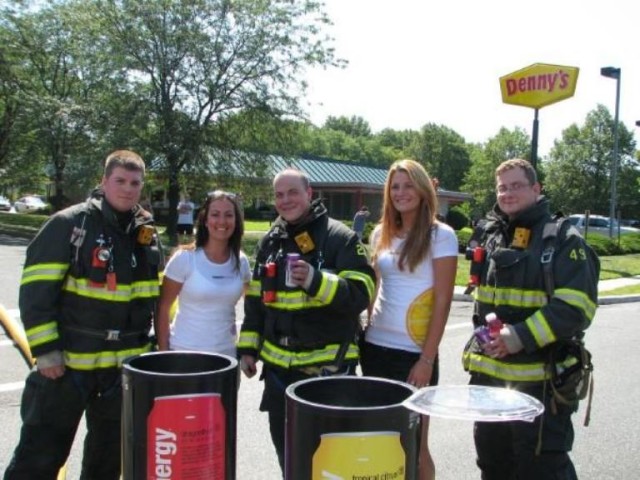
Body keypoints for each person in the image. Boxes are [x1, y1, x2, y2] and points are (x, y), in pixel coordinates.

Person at [4, 150, 163, 480]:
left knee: (106, 463)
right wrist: (46, 352)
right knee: (39, 458)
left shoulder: (145, 234)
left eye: (135, 183)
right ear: (104, 182)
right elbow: (36, 293)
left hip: (120, 373)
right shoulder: (68, 224)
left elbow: (149, 297)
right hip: (66, 369)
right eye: (119, 180)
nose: (127, 189)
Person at [462, 158, 599, 480]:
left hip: (541, 387)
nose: (508, 193)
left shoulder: (563, 239)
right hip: (489, 382)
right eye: (502, 187)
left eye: (516, 186)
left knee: (541, 471)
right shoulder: (492, 235)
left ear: (536, 189)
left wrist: (521, 335)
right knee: (494, 468)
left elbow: (577, 307)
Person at [237, 168, 376, 475]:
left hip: (328, 375)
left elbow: (362, 293)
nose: (285, 200)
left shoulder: (339, 236)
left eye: (292, 192)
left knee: (330, 465)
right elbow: (255, 303)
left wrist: (317, 281)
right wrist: (248, 349)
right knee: (289, 459)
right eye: (279, 194)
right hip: (278, 375)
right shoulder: (270, 242)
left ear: (309, 193)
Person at [360, 159, 458, 480]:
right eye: (395, 187)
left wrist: (427, 359)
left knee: (415, 447)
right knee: (381, 441)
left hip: (414, 355)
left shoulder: (440, 235)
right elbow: (375, 287)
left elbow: (443, 300)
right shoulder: (380, 233)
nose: (401, 192)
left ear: (423, 188)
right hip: (374, 349)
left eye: (408, 185)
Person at [156, 190, 251, 356]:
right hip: (183, 354)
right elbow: (163, 308)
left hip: (227, 356)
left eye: (229, 215)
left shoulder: (241, 261)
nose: (222, 221)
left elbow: (252, 310)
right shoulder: (184, 258)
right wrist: (164, 354)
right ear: (205, 220)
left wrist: (248, 351)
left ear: (236, 221)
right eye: (215, 214)